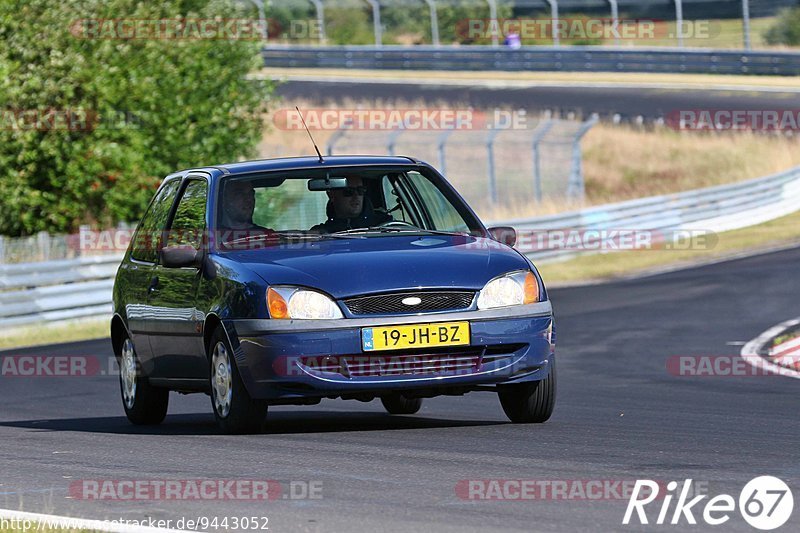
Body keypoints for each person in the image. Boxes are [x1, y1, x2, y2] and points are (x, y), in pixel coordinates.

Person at [311, 176, 392, 233]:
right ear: (331, 195)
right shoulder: (321, 235)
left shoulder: (386, 225)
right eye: (349, 191)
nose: (356, 196)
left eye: (360, 190)